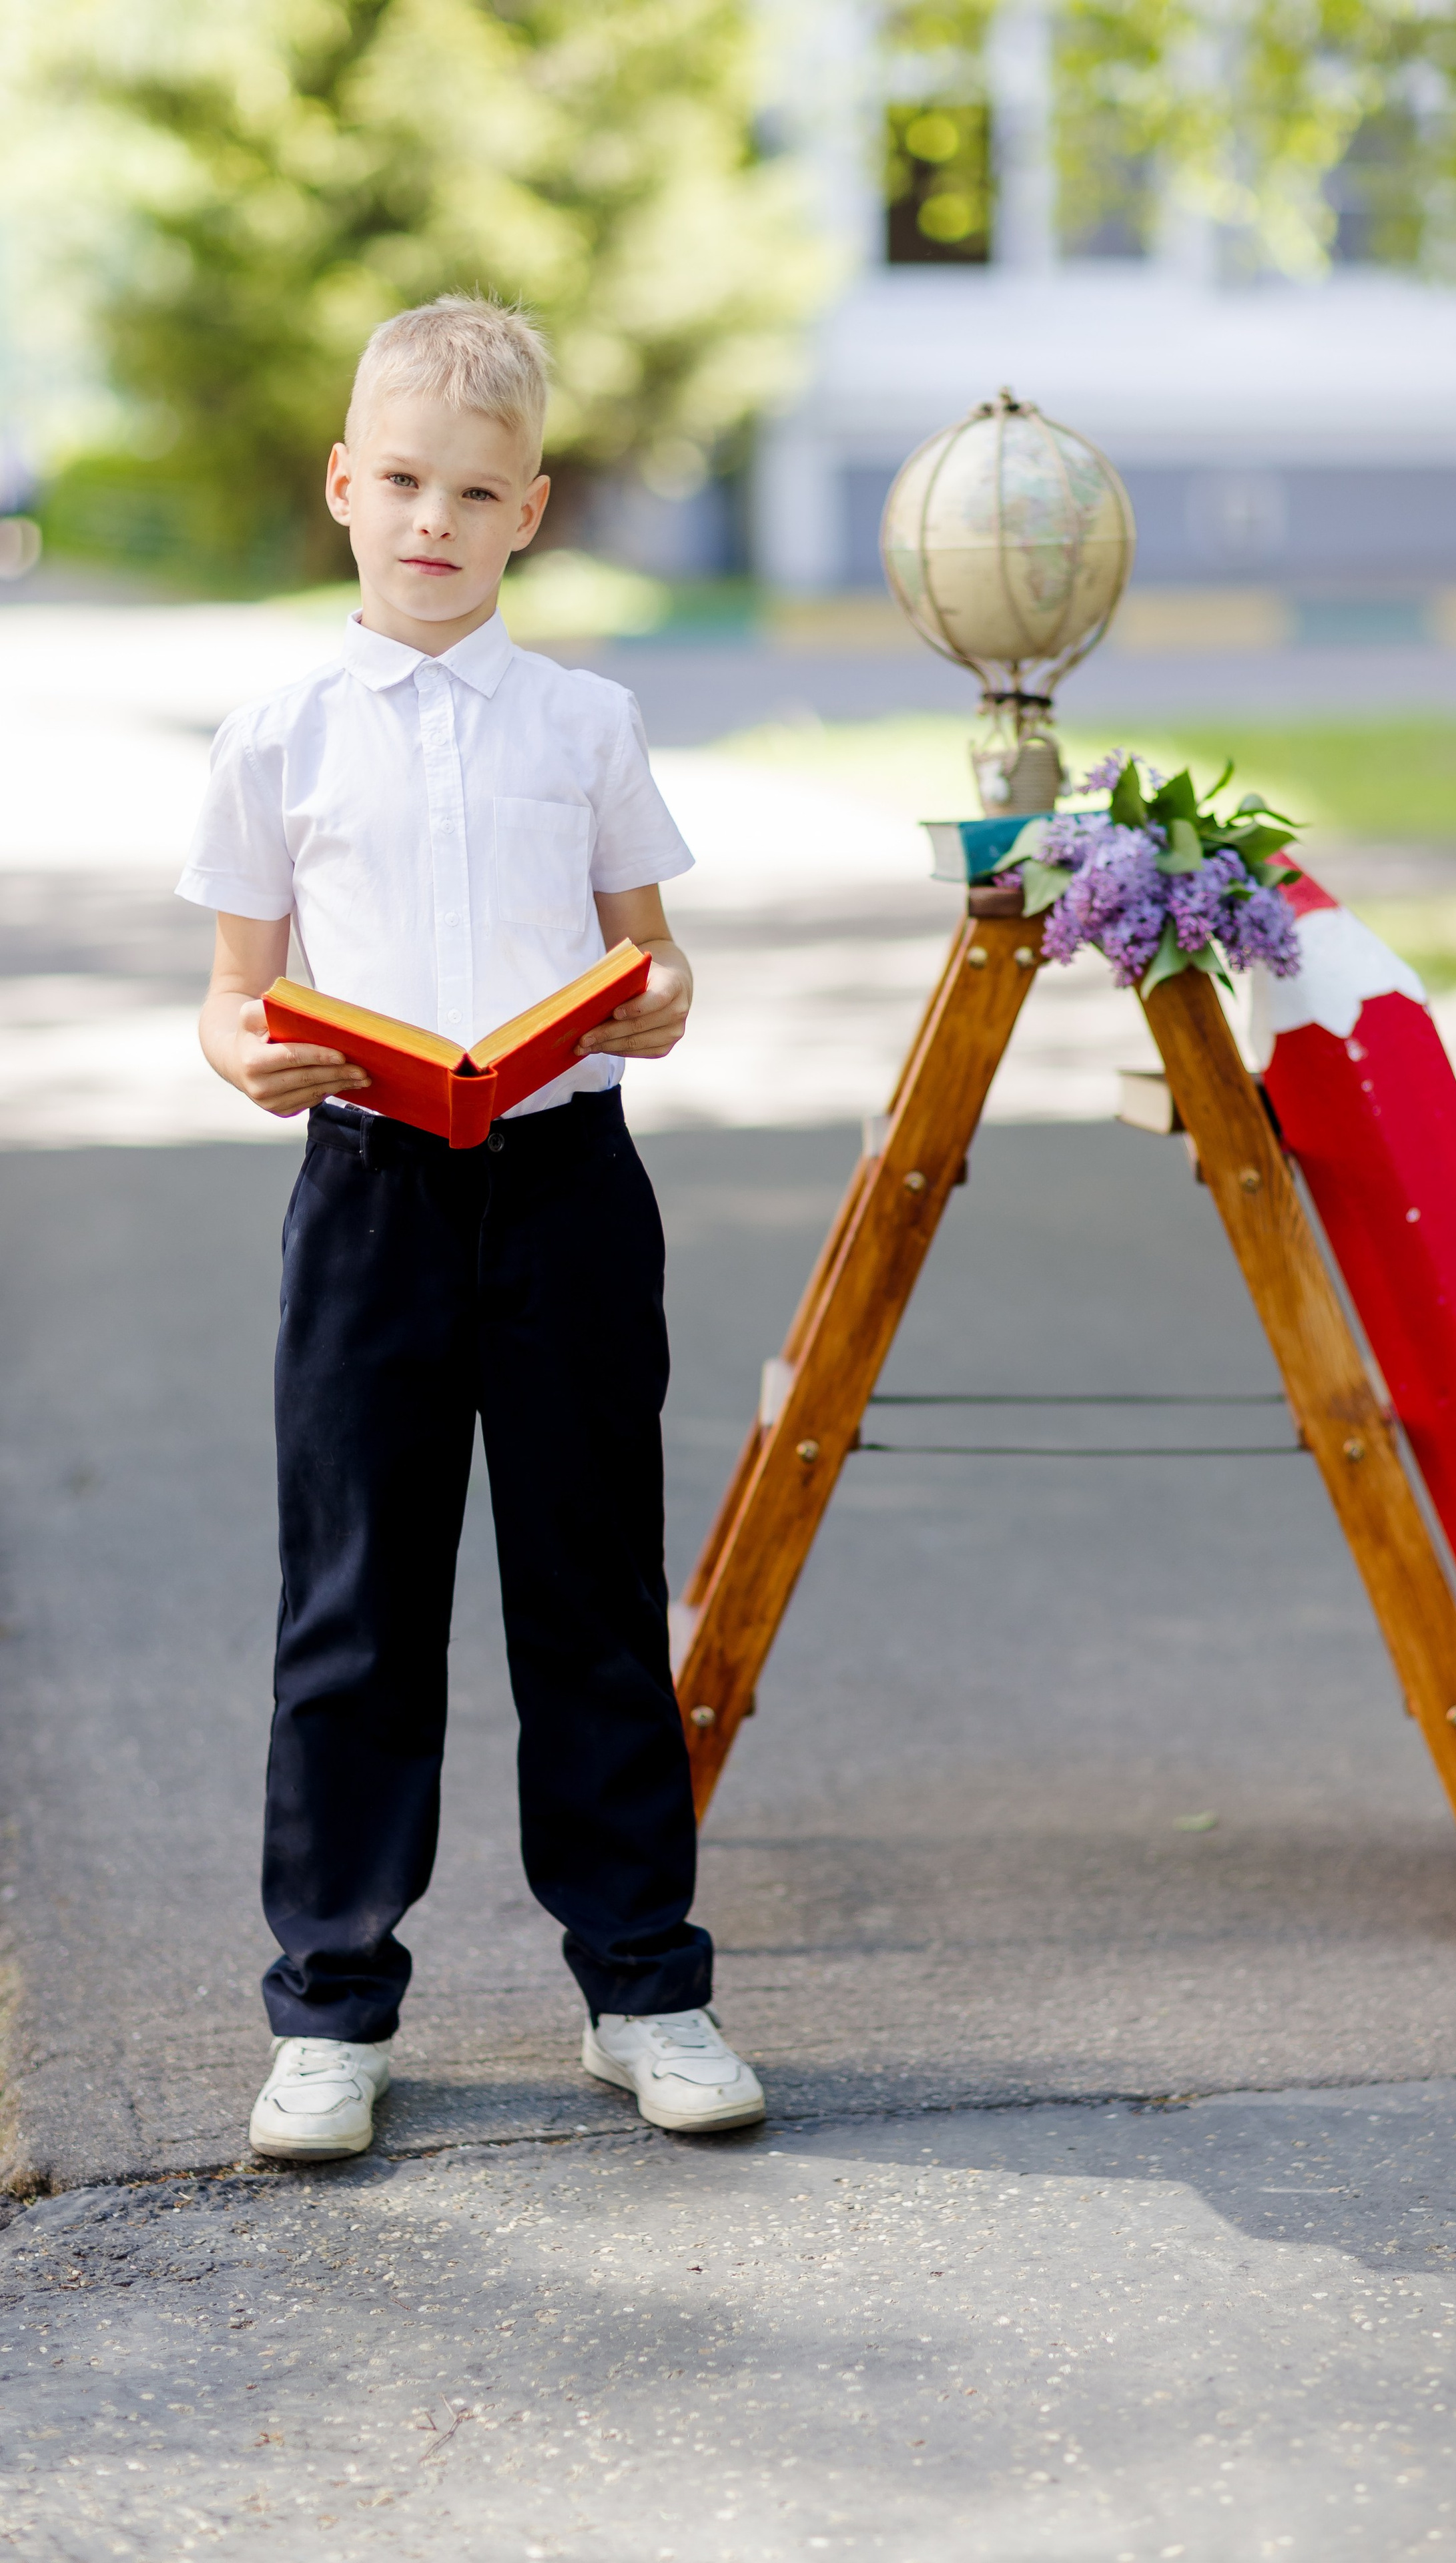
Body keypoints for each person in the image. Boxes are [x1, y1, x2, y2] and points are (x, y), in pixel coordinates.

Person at [178, 294, 763, 2158]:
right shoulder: (279, 734)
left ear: (533, 513)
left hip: (570, 1188)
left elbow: (649, 958)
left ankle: (647, 1991)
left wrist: (658, 1001)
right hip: (367, 1192)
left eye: (479, 490)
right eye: (405, 481)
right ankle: (332, 2012)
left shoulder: (586, 719)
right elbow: (233, 989)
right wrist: (247, 1059)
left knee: (591, 1597)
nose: (436, 518)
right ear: (347, 486)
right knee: (356, 1606)